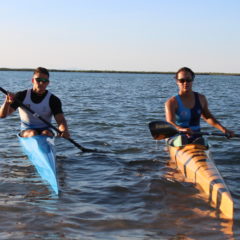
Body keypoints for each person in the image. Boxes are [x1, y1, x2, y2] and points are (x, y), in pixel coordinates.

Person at [165, 67, 234, 146]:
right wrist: (181, 129)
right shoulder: (171, 102)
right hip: (177, 136)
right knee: (182, 140)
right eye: (182, 80)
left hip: (197, 135)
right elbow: (170, 123)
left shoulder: (201, 98)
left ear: (192, 80)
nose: (185, 83)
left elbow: (208, 117)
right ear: (177, 81)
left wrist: (224, 130)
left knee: (202, 141)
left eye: (188, 80)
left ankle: (198, 148)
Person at [0, 67, 70, 138]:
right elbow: (2, 115)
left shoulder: (53, 100)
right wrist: (7, 103)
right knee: (33, 133)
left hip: (46, 130)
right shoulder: (21, 96)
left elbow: (61, 121)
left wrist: (64, 130)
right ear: (33, 80)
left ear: (48, 83)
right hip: (27, 130)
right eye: (38, 80)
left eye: (44, 80)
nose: (41, 83)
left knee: (46, 133)